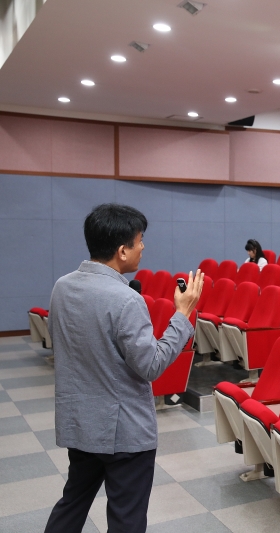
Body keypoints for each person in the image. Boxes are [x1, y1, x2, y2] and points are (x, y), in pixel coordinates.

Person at [44, 203, 203, 533]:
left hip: (81, 423)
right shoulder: (126, 299)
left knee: (72, 504)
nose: (143, 247)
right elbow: (151, 365)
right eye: (140, 240)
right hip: (125, 433)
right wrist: (182, 314)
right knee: (126, 520)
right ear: (122, 250)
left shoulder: (62, 286)